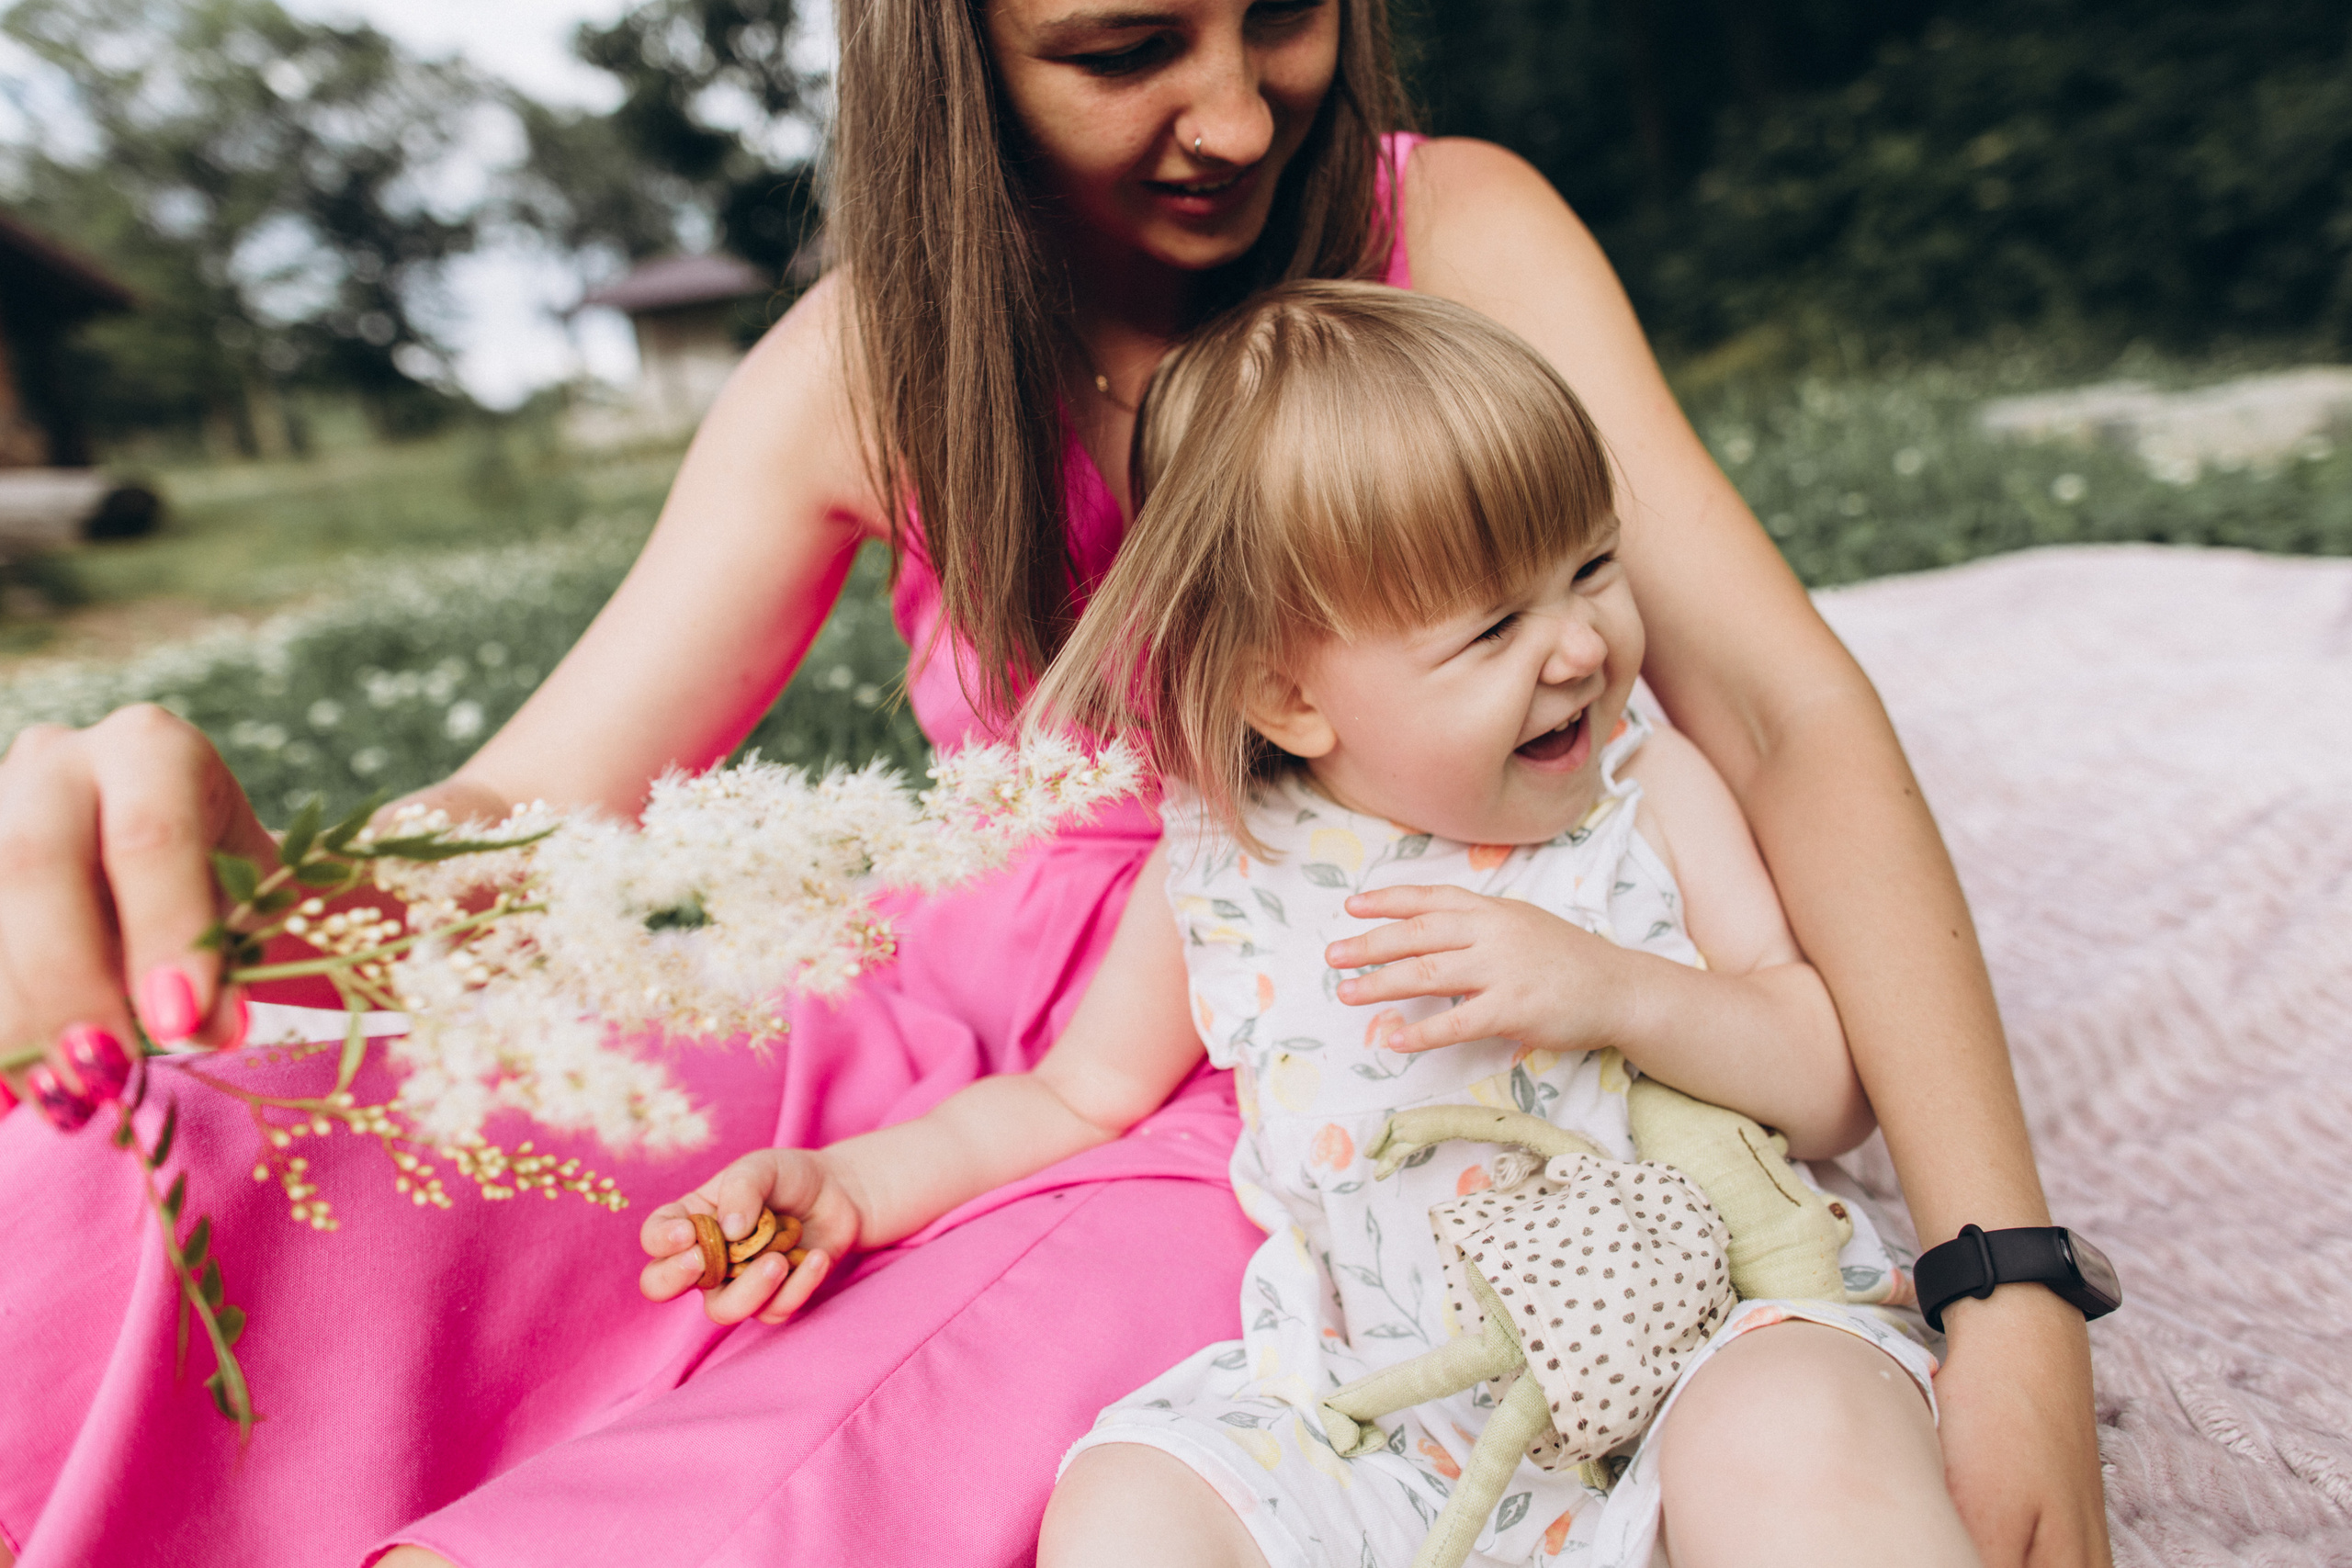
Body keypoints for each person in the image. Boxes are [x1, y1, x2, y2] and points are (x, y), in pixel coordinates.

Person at [0, 2, 2105, 1564]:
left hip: (1277, 1081)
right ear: (951, 56)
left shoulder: (1436, 228)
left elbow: (1773, 709)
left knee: (907, 1417)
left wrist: (1994, 1271)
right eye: (1119, 44)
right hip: (978, 1025)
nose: (1231, 109)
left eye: (1278, 10)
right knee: (203, 1151)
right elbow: (535, 811)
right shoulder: (867, 363)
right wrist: (257, 909)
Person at [647, 279, 1978, 1568]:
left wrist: (1615, 992)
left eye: (1592, 569)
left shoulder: (1644, 793)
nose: (1578, 647)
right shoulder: (1234, 862)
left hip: (1705, 1344)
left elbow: (1825, 1085)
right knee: (1132, 1495)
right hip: (1393, 1425)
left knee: (1801, 1427)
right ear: (1290, 698)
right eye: (1494, 627)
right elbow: (1071, 1099)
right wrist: (857, 1188)